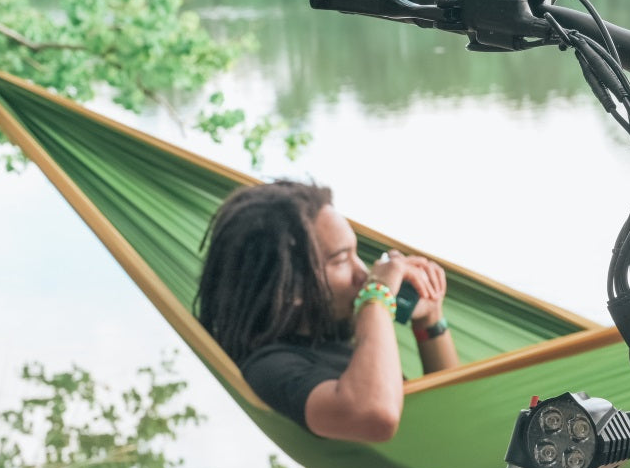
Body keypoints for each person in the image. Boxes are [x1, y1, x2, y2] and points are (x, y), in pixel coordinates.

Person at [196, 180, 460, 442]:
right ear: (292, 288)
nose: (363, 272)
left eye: (356, 254)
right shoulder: (269, 368)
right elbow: (374, 416)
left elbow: (457, 417)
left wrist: (429, 321)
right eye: (342, 259)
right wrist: (377, 295)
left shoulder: (337, 342)